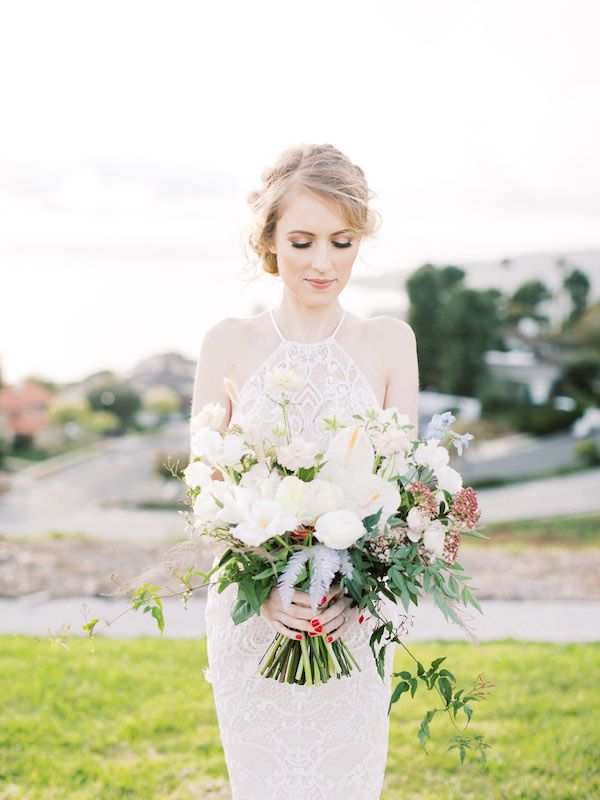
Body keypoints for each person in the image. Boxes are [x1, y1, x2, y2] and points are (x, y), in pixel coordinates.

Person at [191, 143, 419, 799]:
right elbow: (208, 489)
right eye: (302, 241)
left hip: (353, 617)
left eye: (342, 242)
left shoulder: (389, 342)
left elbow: (400, 490)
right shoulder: (228, 344)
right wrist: (260, 589)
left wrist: (357, 582)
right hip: (254, 619)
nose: (324, 263)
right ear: (268, 241)